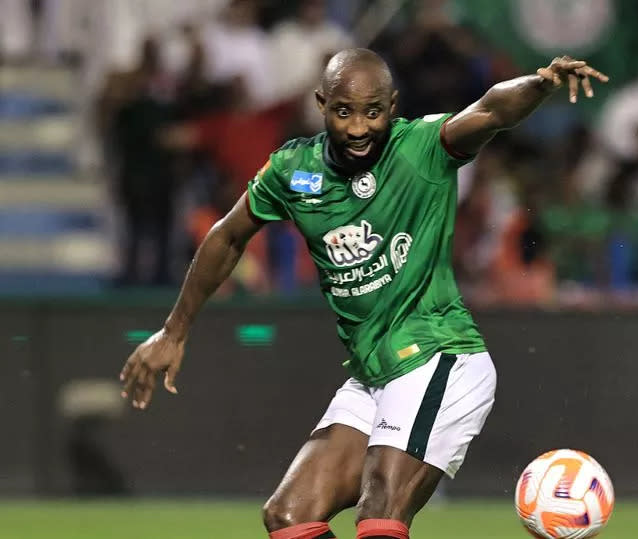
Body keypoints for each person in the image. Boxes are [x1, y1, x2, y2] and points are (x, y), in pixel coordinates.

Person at [119, 48, 607, 539]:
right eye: (343, 111)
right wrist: (173, 331)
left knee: (380, 515)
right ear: (321, 104)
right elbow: (227, 235)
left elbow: (489, 111)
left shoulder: (420, 149)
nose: (358, 128)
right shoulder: (293, 170)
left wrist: (541, 83)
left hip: (438, 356)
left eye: (372, 112)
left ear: (392, 107)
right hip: (372, 375)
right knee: (290, 518)